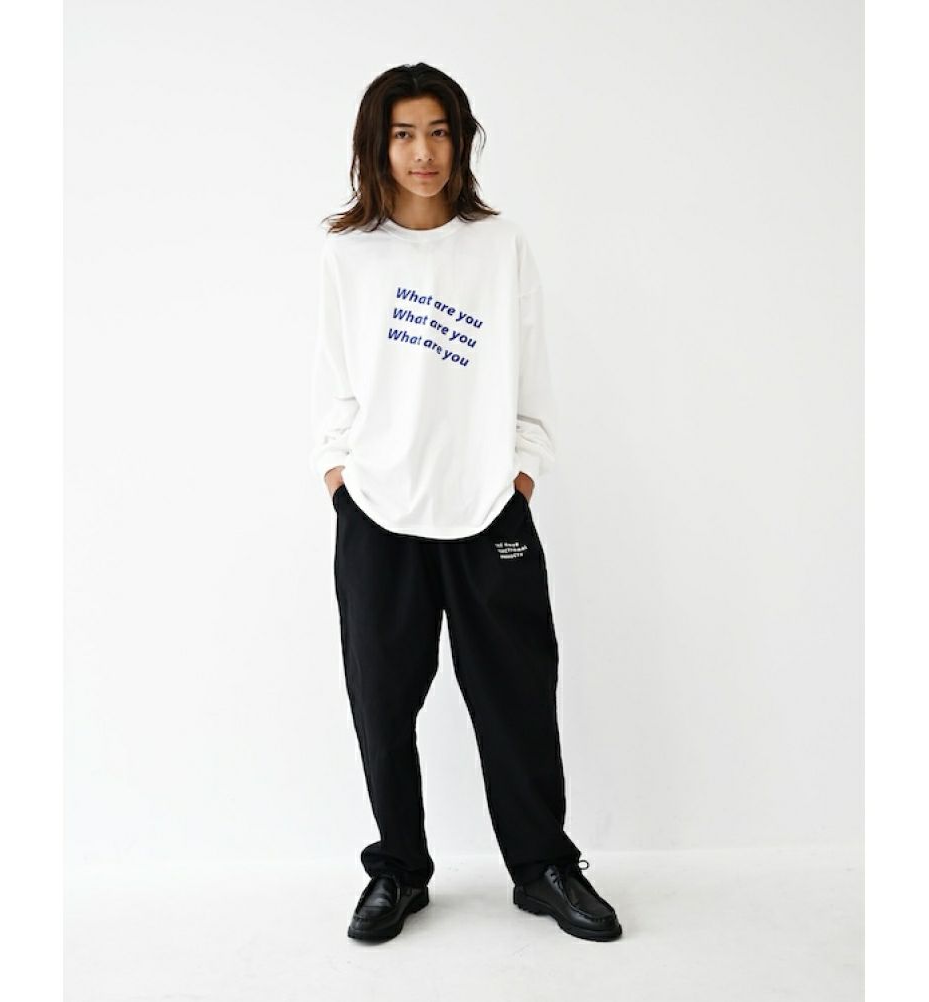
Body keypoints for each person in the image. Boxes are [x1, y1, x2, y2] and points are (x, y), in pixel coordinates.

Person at [308, 62, 622, 943]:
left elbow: (533, 377)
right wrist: (340, 480)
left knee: (518, 696)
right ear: (377, 146)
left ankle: (544, 868)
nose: (424, 152)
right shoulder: (348, 255)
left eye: (440, 132)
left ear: (462, 141)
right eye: (404, 134)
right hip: (378, 511)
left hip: (488, 510)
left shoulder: (499, 245)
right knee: (382, 703)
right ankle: (398, 872)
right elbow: (333, 385)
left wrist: (519, 473)